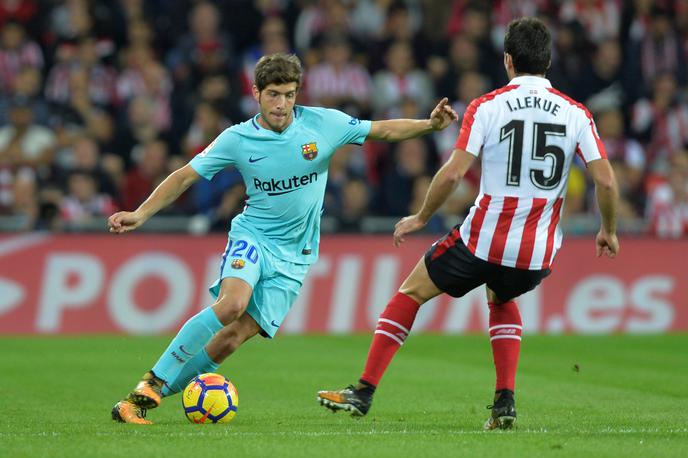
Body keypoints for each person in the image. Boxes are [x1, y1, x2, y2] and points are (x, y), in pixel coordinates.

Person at [108, 53, 458, 424]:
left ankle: (140, 401)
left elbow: (383, 130)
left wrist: (429, 126)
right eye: (274, 94)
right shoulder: (238, 138)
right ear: (257, 93)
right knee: (231, 306)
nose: (282, 104)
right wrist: (141, 213)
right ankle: (152, 380)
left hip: (297, 255)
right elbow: (184, 176)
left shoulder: (324, 124)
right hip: (253, 237)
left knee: (231, 339)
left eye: (290, 95)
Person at [317, 17, 620, 430]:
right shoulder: (576, 113)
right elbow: (604, 179)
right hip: (536, 253)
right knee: (502, 296)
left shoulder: (487, 105)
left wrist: (421, 217)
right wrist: (609, 230)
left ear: (508, 60)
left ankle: (364, 391)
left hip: (482, 241)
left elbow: (454, 173)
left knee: (409, 293)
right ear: (548, 61)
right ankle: (504, 402)